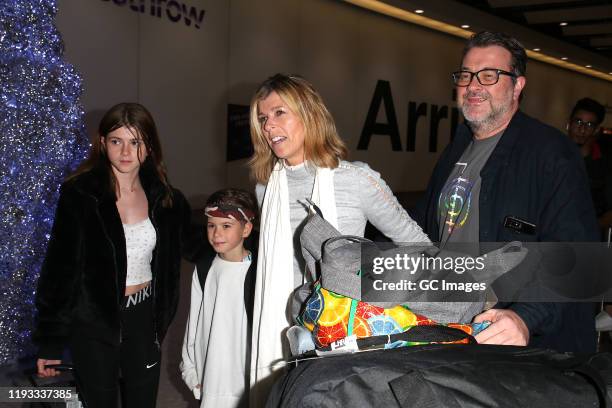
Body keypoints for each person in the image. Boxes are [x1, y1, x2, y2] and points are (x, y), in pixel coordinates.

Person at [248, 73, 436, 404]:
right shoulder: (266, 189)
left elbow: (418, 246)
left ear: (308, 113)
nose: (268, 126)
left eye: (279, 113)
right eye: (263, 118)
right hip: (280, 328)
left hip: (341, 329)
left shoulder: (357, 179)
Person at [412, 31, 600, 353]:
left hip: (517, 345)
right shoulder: (458, 145)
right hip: (450, 325)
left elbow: (577, 255)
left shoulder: (551, 153)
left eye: (489, 75)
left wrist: (526, 318)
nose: (473, 86)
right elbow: (424, 229)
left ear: (517, 85)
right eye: (466, 75)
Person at [33, 103, 202, 407]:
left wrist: (245, 242)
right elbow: (59, 271)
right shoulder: (80, 194)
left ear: (149, 147)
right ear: (102, 143)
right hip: (93, 320)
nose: (126, 152)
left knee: (142, 399)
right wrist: (50, 342)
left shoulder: (167, 199)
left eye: (135, 142)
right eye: (116, 141)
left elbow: (196, 245)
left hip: (145, 316)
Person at [180, 188, 258, 408]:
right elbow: (192, 326)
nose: (216, 234)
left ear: (246, 229)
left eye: (226, 226)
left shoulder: (259, 272)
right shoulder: (204, 269)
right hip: (212, 379)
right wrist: (192, 375)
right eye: (211, 225)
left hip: (247, 381)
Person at [566, 97, 612, 231]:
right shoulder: (551, 157)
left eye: (589, 125)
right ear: (569, 124)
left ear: (596, 130)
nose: (582, 129)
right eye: (578, 122)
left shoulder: (605, 167)